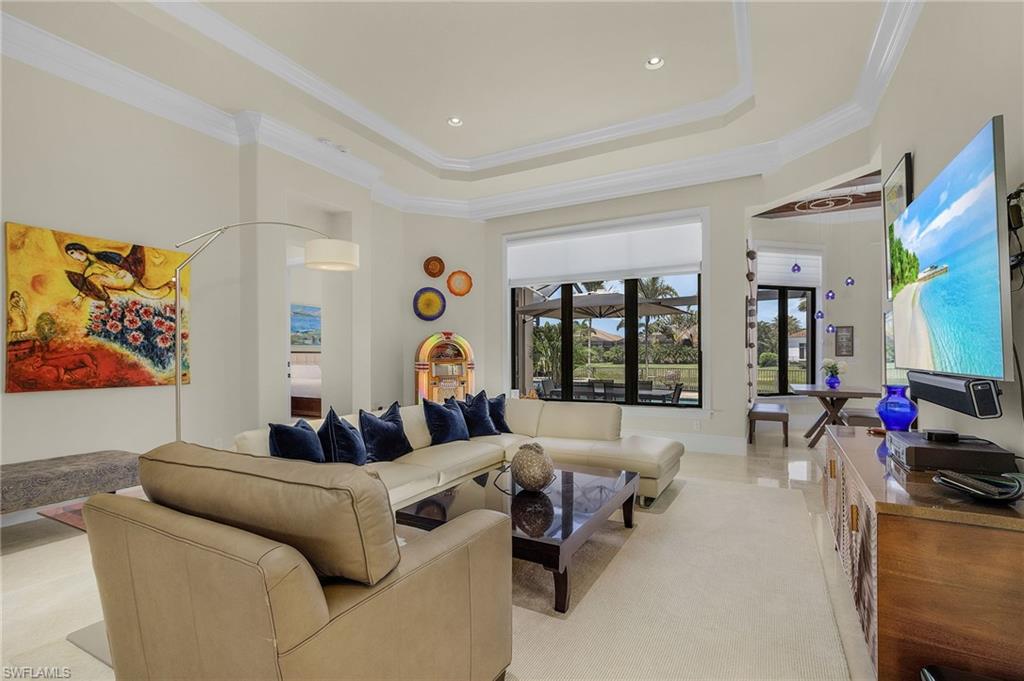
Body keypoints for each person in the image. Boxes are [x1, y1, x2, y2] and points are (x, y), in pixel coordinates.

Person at [64, 242, 173, 306]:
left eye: (73, 253)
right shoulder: (89, 270)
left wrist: (125, 270)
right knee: (91, 279)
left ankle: (107, 300)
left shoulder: (104, 255)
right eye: (71, 255)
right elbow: (86, 285)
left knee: (154, 294)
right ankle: (107, 300)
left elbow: (122, 261)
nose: (74, 257)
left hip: (127, 277)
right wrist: (80, 296)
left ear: (80, 250)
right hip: (120, 282)